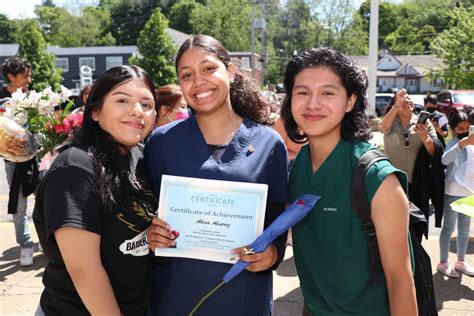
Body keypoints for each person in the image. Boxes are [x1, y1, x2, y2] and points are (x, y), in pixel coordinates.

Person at [145, 34, 289, 315]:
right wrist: (151, 234)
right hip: (175, 296)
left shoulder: (269, 144)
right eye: (187, 74)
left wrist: (272, 254)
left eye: (209, 68)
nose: (198, 81)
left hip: (243, 297)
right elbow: (144, 214)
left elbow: (277, 221)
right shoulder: (160, 142)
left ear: (231, 71)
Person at [281, 48, 417, 315]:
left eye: (328, 93)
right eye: (303, 92)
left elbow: (400, 281)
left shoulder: (377, 178)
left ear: (350, 101)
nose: (313, 104)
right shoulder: (297, 168)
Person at [33, 65, 158, 315]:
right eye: (122, 100)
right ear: (96, 112)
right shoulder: (76, 166)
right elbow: (84, 269)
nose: (137, 111)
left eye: (146, 104)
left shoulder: (139, 156)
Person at [379, 89, 444, 234]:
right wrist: (396, 105)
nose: (407, 100)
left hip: (417, 182)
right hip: (393, 181)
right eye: (403, 98)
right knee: (393, 224)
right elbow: (383, 128)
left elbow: (434, 151)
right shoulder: (390, 121)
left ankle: (415, 254)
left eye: (409, 98)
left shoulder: (424, 123)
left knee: (415, 225)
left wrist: (424, 136)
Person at [1, 56, 36, 267]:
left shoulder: (33, 98)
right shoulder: (1, 99)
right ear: (11, 77)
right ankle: (25, 245)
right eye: (24, 76)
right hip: (12, 161)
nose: (29, 80)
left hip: (37, 159)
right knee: (19, 205)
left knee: (48, 199)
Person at [437, 110, 474, 277]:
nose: (464, 131)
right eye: (460, 128)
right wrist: (462, 144)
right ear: (453, 130)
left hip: (468, 191)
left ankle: (461, 260)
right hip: (452, 190)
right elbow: (444, 160)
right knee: (449, 227)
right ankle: (443, 262)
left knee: (464, 229)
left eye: (468, 127)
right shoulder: (454, 143)